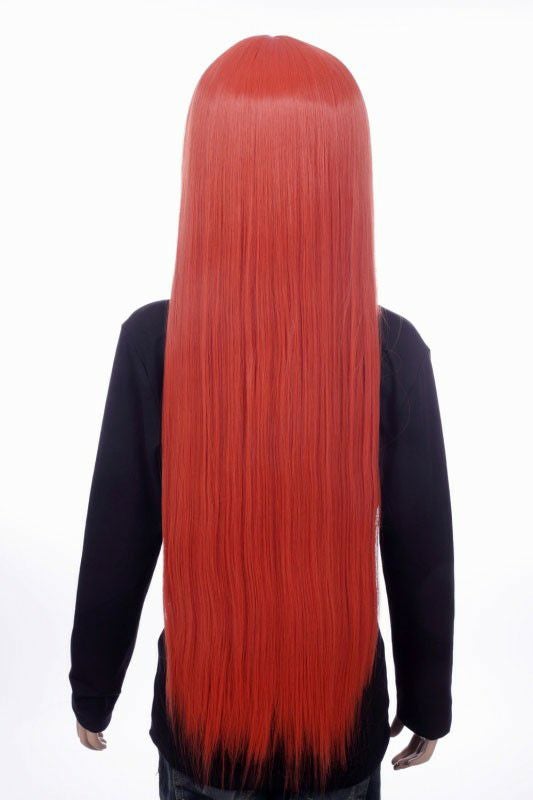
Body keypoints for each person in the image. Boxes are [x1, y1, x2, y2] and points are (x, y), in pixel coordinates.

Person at [69, 35, 454, 800]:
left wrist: (93, 687)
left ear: (210, 167)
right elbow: (420, 551)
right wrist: (426, 702)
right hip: (338, 744)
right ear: (343, 172)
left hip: (204, 740)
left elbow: (119, 531)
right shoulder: (389, 350)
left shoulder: (153, 343)